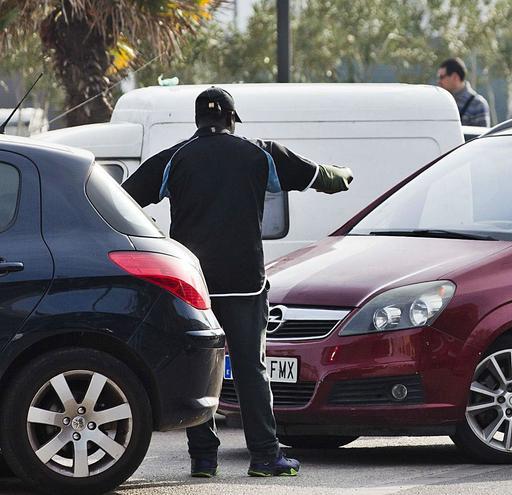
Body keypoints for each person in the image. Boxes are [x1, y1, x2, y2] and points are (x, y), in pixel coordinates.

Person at [122, 87, 353, 479]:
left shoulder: (175, 159)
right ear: (231, 119)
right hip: (245, 285)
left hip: (194, 287)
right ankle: (265, 456)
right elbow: (320, 177)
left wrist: (156, 243)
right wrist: (345, 175)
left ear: (198, 121)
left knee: (198, 369)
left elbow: (124, 200)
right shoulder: (257, 153)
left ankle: (203, 459)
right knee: (251, 370)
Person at [437, 57, 490, 127]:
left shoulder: (478, 104)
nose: (439, 81)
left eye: (441, 77)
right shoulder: (440, 102)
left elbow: (482, 136)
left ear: (455, 77)